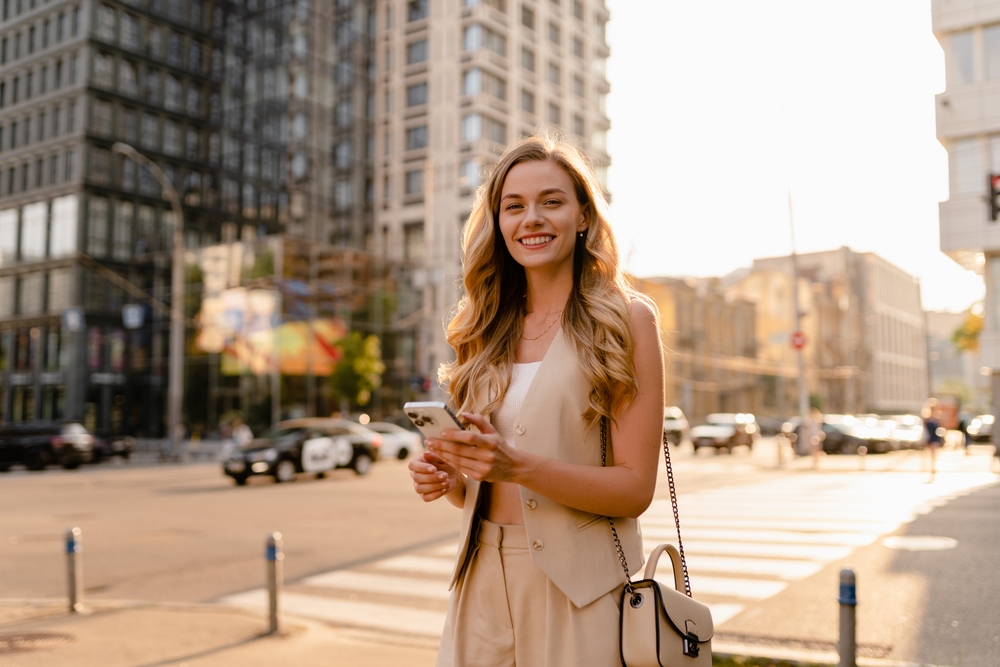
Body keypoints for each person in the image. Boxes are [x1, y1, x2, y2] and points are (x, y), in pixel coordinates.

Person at [408, 135, 664, 666]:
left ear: (583, 216)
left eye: (552, 201)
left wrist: (516, 465)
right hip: (478, 582)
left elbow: (635, 488)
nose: (532, 219)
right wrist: (456, 480)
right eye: (514, 206)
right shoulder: (483, 329)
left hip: (581, 593)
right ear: (498, 224)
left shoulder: (626, 320)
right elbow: (484, 487)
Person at [924, 407, 944, 481]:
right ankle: (931, 467)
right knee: (929, 454)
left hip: (935, 438)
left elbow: (940, 428)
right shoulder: (926, 418)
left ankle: (933, 467)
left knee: (934, 454)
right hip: (929, 438)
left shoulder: (937, 418)